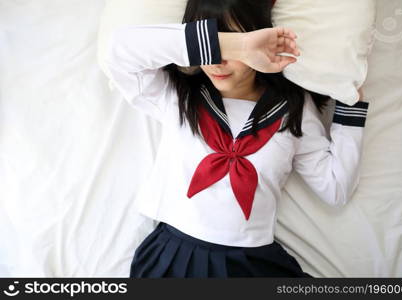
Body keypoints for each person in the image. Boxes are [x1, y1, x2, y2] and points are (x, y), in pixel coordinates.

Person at [105, 0, 369, 278]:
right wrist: (237, 46)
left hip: (253, 263)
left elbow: (336, 188)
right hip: (173, 258)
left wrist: (351, 104)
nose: (216, 62)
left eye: (235, 38)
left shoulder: (294, 109)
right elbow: (120, 50)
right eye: (216, 44)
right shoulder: (175, 96)